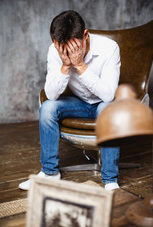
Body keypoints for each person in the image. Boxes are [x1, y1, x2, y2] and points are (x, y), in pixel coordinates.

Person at [19, 10, 121, 191]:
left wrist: (80, 66)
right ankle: (50, 173)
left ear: (86, 35)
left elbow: (108, 95)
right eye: (62, 47)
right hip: (79, 103)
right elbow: (51, 95)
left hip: (104, 104)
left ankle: (110, 179)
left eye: (72, 47)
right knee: (48, 108)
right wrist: (65, 66)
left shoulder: (109, 48)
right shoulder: (55, 50)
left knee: (108, 110)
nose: (67, 52)